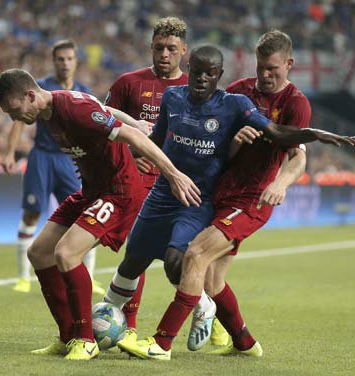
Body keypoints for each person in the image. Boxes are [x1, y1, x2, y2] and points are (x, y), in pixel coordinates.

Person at [114, 43, 355, 361]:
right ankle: (244, 342)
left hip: (254, 197)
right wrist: (232, 142)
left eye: (272, 69)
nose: (265, 75)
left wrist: (283, 179)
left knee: (195, 255)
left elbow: (294, 153)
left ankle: (161, 343)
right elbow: (214, 136)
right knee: (213, 280)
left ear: (289, 64)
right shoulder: (236, 93)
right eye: (260, 67)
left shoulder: (295, 103)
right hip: (222, 192)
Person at [0, 68, 201, 361]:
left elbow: (128, 136)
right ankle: (68, 337)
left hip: (119, 190)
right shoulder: (53, 111)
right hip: (91, 190)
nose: (14, 118)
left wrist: (173, 174)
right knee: (39, 252)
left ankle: (86, 339)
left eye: (14, 110)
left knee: (66, 253)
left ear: (30, 95)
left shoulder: (72, 109)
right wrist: (136, 121)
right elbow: (105, 108)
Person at [103, 16, 228, 346]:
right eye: (159, 47)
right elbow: (103, 124)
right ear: (151, 47)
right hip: (140, 185)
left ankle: (207, 311)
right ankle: (128, 326)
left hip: (187, 192)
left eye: (172, 48)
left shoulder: (199, 90)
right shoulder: (128, 83)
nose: (164, 54)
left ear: (184, 51)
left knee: (181, 261)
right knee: (137, 257)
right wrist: (131, 152)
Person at [0, 40, 102, 295]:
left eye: (69, 58)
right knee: (31, 214)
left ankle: (88, 276)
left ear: (76, 61)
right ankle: (23, 277)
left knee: (85, 216)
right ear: (54, 61)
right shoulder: (41, 87)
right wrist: (10, 151)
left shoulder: (83, 90)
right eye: (60, 59)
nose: (65, 63)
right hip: (42, 157)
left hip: (69, 159)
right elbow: (19, 121)